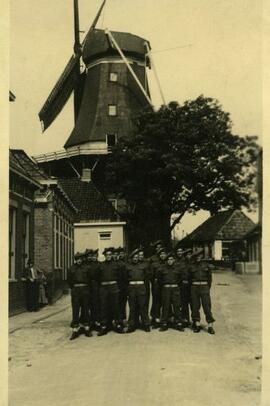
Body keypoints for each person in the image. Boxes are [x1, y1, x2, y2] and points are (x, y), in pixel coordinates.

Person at [97, 248, 124, 336]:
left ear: (112, 255)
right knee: (104, 306)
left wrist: (117, 288)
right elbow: (97, 278)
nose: (108, 256)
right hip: (104, 288)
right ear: (105, 256)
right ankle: (104, 326)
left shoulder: (117, 265)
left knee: (116, 306)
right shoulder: (101, 265)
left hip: (114, 287)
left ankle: (118, 324)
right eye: (107, 255)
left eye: (110, 254)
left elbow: (120, 278)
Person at [189, 249, 215, 334]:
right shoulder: (191, 266)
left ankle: (210, 325)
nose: (198, 257)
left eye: (199, 256)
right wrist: (192, 287)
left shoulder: (206, 265)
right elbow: (189, 279)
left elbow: (209, 279)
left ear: (202, 256)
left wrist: (207, 288)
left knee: (207, 306)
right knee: (195, 306)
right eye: (196, 256)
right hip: (194, 287)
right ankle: (197, 324)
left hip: (204, 287)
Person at [67, 252, 92, 340]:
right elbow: (69, 281)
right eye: (77, 259)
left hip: (85, 290)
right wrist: (74, 289)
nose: (79, 261)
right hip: (76, 291)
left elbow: (90, 280)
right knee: (76, 309)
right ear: (75, 260)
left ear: (82, 259)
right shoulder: (71, 269)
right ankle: (75, 330)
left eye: (80, 259)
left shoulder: (87, 268)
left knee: (85, 309)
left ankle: (87, 328)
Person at [125, 249, 151, 333]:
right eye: (134, 257)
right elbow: (125, 278)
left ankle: (145, 324)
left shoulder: (143, 265)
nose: (135, 258)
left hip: (141, 287)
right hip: (131, 287)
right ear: (131, 258)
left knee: (142, 306)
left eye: (137, 257)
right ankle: (132, 325)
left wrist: (144, 287)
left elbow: (147, 276)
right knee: (132, 306)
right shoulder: (128, 266)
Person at [158, 252, 184, 331]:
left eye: (171, 259)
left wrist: (176, 286)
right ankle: (164, 324)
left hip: (175, 289)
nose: (170, 261)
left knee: (177, 306)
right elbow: (159, 280)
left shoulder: (178, 269)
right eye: (168, 259)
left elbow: (180, 279)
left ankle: (179, 323)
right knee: (165, 306)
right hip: (166, 289)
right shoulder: (162, 269)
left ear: (174, 260)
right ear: (166, 261)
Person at [175, 247, 192, 328]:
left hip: (186, 285)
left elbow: (188, 273)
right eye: (178, 251)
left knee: (185, 302)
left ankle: (186, 319)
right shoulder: (174, 261)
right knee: (177, 302)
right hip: (177, 284)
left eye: (181, 251)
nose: (179, 253)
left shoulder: (186, 262)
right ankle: (178, 319)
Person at [149, 240, 164, 327]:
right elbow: (150, 272)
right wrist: (153, 281)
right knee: (156, 301)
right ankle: (155, 317)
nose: (158, 249)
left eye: (160, 247)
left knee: (166, 300)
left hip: (164, 283)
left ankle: (166, 318)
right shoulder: (153, 259)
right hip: (156, 284)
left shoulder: (165, 258)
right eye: (157, 247)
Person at [118, 247, 128, 322]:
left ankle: (123, 319)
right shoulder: (116, 263)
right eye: (120, 253)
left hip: (126, 285)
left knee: (123, 303)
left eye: (123, 253)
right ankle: (118, 319)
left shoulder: (127, 262)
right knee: (118, 303)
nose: (121, 255)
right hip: (118, 286)